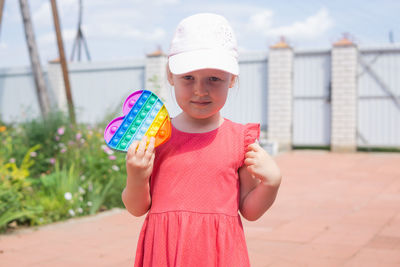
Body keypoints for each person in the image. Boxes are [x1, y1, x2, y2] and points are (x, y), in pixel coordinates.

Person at [122, 13, 282, 267]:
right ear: (170, 76)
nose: (200, 90)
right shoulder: (156, 137)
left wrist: (271, 183)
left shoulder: (240, 140)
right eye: (188, 78)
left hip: (218, 254)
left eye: (214, 79)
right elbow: (136, 208)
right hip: (165, 252)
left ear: (232, 80)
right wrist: (136, 175)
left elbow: (249, 210)